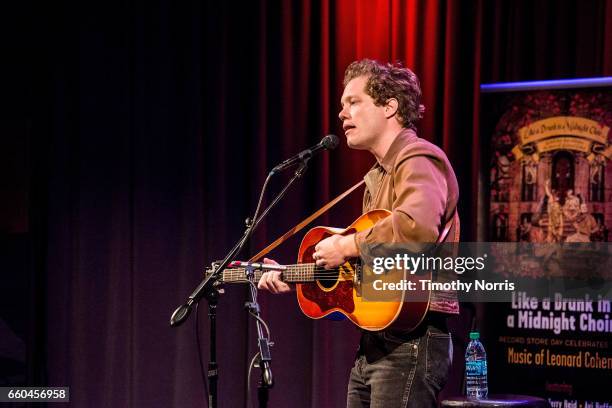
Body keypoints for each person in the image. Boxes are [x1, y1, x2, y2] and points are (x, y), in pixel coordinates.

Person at [258, 59, 460, 407]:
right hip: (375, 344)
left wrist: (348, 244)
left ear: (389, 106)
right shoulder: (376, 177)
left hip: (411, 341)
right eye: (341, 105)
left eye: (353, 102)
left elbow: (416, 228)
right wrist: (294, 275)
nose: (341, 114)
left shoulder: (419, 157)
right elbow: (371, 266)